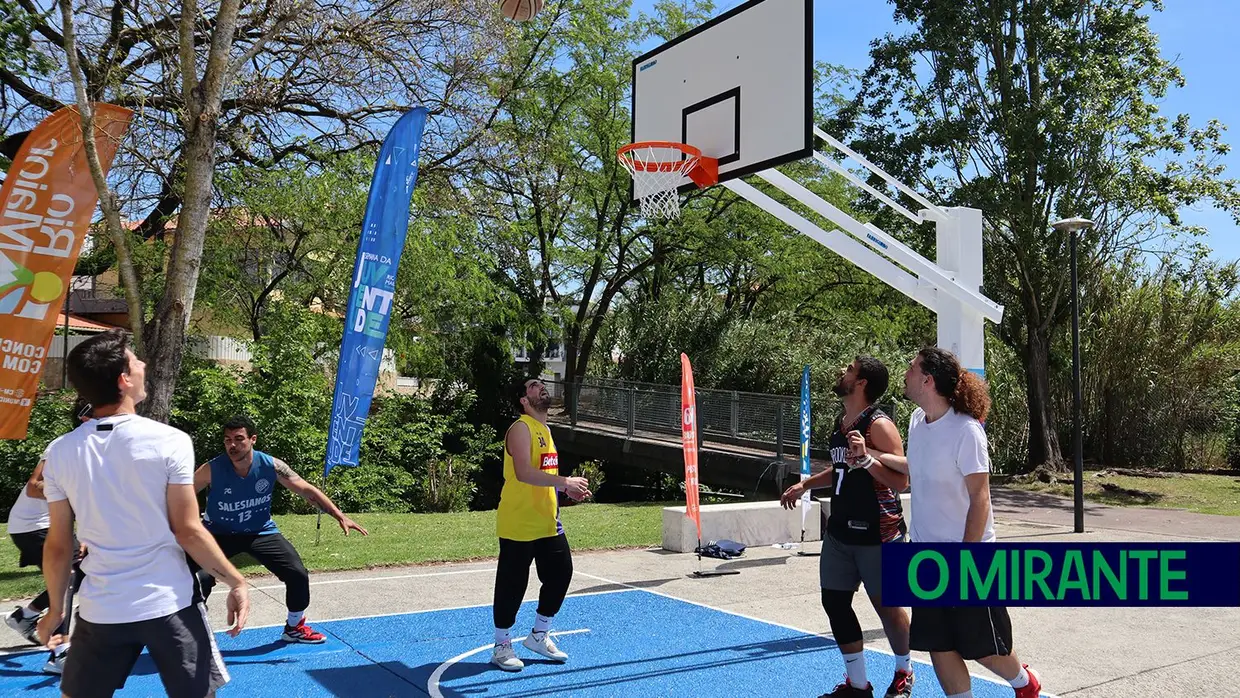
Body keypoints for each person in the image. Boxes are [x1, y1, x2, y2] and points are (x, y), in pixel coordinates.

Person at [37, 329, 250, 698]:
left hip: (101, 606)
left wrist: (56, 610)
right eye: (136, 361)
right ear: (124, 379)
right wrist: (237, 581)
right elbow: (187, 530)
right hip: (168, 602)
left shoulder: (59, 451)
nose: (144, 364)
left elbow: (58, 544)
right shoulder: (170, 441)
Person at [852, 347, 1043, 698]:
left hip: (967, 558)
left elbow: (980, 498)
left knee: (984, 648)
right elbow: (918, 467)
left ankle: (1024, 684)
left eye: (911, 369)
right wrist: (870, 457)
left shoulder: (966, 431)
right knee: (938, 644)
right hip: (925, 556)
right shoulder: (915, 421)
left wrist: (967, 559)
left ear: (927, 380)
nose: (906, 374)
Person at [780, 357, 914, 698]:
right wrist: (806, 484)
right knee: (835, 604)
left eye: (851, 369)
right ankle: (858, 685)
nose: (843, 371)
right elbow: (841, 468)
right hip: (840, 531)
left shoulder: (879, 425)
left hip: (879, 534)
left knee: (887, 607)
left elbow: (903, 481)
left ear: (863, 382)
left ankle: (904, 672)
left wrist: (868, 456)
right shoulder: (842, 422)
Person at [193, 415, 368, 644]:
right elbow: (180, 495)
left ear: (252, 439)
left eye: (239, 439)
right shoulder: (212, 469)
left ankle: (294, 627)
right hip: (218, 533)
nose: (232, 446)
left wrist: (339, 515)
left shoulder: (270, 466)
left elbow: (306, 490)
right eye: (228, 440)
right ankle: (193, 631)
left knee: (297, 573)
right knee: (198, 578)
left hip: (259, 532)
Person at [490, 378, 591, 672]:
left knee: (561, 574)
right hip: (519, 521)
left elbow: (542, 476)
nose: (541, 387)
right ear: (523, 399)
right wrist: (564, 481)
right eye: (534, 386)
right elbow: (523, 472)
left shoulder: (545, 429)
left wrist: (566, 490)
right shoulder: (521, 428)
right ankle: (501, 646)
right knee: (513, 585)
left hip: (548, 521)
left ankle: (538, 635)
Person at [5, 396, 91, 674]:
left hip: (47, 525)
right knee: (69, 576)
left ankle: (26, 616)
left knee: (78, 574)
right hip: (33, 524)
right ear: (87, 416)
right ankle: (60, 653)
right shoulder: (63, 445)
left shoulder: (95, 447)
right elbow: (33, 487)